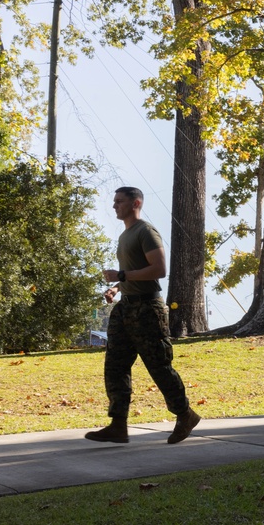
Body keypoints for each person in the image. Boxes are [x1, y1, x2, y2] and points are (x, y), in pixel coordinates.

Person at [85, 187, 201, 445]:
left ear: (135, 203)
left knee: (158, 365)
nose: (114, 206)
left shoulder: (145, 232)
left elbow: (159, 269)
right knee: (115, 366)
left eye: (119, 201)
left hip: (147, 309)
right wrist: (117, 287)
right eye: (114, 201)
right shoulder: (125, 235)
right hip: (126, 306)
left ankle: (185, 414)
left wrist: (122, 276)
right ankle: (118, 425)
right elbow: (133, 271)